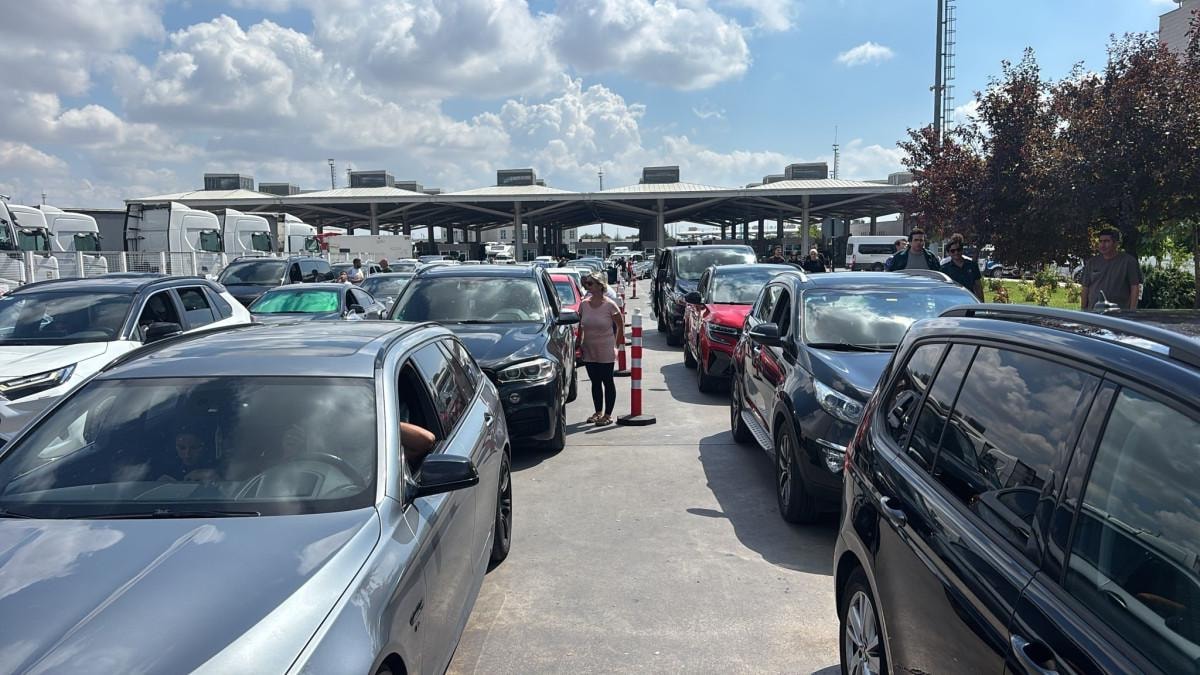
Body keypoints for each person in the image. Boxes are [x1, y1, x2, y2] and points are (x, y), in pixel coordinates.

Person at [579, 273, 624, 426]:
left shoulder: (610, 305)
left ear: (600, 285)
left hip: (606, 348)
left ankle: (608, 414)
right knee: (595, 381)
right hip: (589, 348)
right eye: (586, 283)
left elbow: (620, 325)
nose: (587, 286)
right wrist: (579, 342)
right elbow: (581, 324)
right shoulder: (584, 304)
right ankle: (598, 412)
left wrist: (616, 346)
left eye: (590, 283)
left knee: (607, 381)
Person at [1081, 227, 1142, 310]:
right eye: (1100, 241)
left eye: (1106, 241)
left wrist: (1132, 311)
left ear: (1116, 243)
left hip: (1119, 313)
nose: (1102, 245)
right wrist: (1083, 310)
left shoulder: (1128, 262)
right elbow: (1085, 288)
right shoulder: (1092, 262)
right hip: (1094, 312)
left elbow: (1135, 287)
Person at [940, 234, 984, 300]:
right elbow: (942, 290)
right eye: (953, 251)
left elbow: (978, 286)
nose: (956, 252)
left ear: (962, 250)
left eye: (958, 249)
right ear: (948, 253)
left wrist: (981, 303)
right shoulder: (944, 269)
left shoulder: (972, 265)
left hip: (970, 301)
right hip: (953, 302)